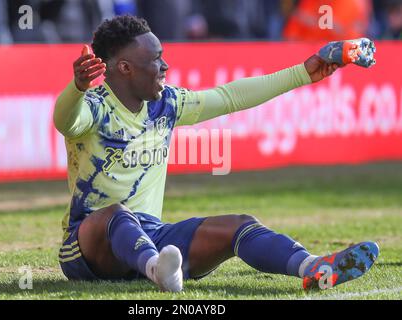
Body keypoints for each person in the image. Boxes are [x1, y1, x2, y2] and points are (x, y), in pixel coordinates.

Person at [54, 15, 379, 292]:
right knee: (117, 214)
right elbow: (65, 120)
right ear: (124, 68)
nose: (164, 65)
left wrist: (303, 73)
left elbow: (229, 97)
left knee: (239, 225)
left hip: (150, 236)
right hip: (88, 246)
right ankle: (156, 270)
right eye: (154, 59)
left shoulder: (166, 103)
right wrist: (77, 88)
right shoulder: (95, 107)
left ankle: (312, 268)